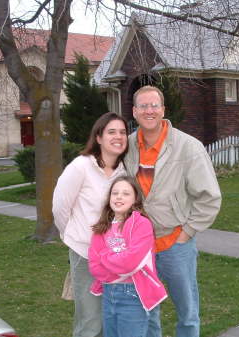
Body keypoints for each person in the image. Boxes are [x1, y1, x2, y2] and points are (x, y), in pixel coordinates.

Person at [124, 85, 222, 337]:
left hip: (175, 243)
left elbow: (209, 197)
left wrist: (186, 233)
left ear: (163, 109)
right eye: (143, 106)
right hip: (141, 247)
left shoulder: (188, 147)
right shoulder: (128, 146)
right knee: (147, 311)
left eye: (154, 105)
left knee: (187, 312)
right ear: (134, 112)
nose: (149, 111)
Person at [52, 112, 129, 337]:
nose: (118, 137)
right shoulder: (81, 166)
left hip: (116, 258)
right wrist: (73, 236)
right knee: (90, 322)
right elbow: (60, 207)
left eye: (123, 132)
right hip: (86, 255)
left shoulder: (125, 171)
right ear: (98, 137)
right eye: (111, 132)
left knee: (111, 319)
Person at [88, 176, 167, 337]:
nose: (119, 197)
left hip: (133, 294)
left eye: (125, 193)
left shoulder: (142, 224)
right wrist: (116, 263)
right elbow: (94, 266)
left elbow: (129, 263)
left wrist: (106, 257)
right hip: (108, 293)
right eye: (115, 193)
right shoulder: (102, 227)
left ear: (135, 199)